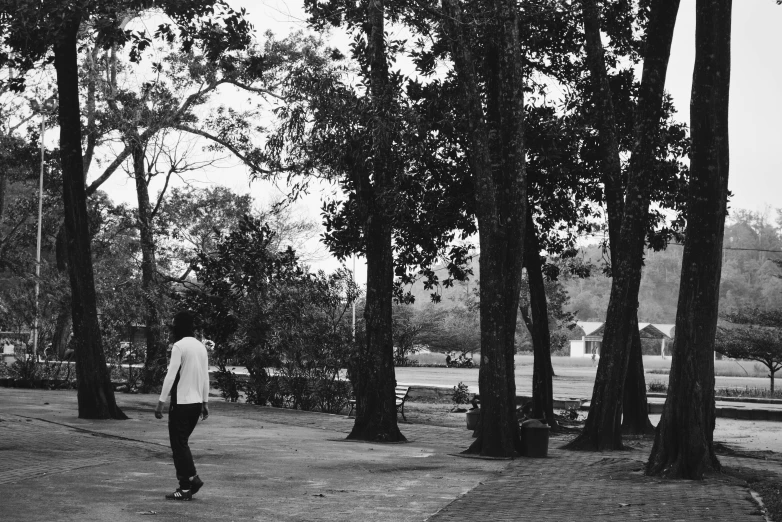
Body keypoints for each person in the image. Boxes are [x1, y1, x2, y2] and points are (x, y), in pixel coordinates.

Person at [154, 311, 210, 501]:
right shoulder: (201, 347)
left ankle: (190, 482)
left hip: (181, 404)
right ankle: (186, 487)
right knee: (181, 444)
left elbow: (170, 376)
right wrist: (205, 402)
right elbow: (205, 376)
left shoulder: (179, 346)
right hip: (195, 405)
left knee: (179, 445)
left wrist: (161, 402)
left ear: (178, 327)